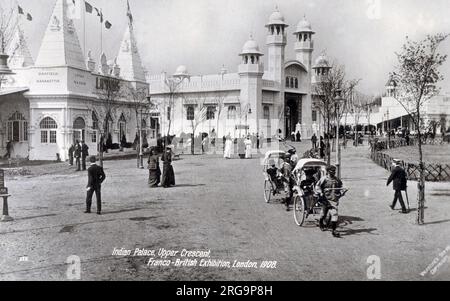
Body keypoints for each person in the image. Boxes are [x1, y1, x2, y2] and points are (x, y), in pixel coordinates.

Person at [315, 165, 343, 238]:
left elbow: (340, 186)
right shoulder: (324, 179)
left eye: (334, 171)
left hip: (333, 200)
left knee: (334, 214)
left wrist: (341, 192)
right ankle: (321, 223)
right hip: (325, 199)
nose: (333, 173)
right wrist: (320, 192)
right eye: (332, 171)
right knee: (323, 214)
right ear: (328, 171)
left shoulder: (337, 180)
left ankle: (334, 231)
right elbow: (317, 186)